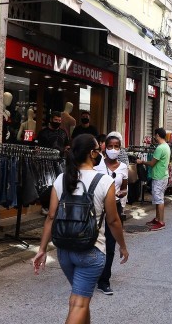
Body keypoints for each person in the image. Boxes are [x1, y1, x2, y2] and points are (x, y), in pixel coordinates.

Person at [32, 134, 129, 324]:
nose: (101, 152)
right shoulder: (104, 181)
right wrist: (123, 247)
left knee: (79, 299)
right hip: (91, 251)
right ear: (93, 153)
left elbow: (51, 217)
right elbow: (113, 221)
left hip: (65, 252)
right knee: (79, 303)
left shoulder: (61, 179)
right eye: (98, 149)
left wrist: (42, 249)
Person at [94, 133, 129, 296]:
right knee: (93, 242)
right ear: (104, 148)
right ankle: (92, 274)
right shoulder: (97, 166)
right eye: (110, 146)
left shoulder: (123, 167)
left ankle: (104, 280)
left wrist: (122, 193)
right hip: (97, 208)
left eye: (116, 147)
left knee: (110, 245)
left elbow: (125, 187)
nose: (113, 149)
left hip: (115, 208)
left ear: (120, 149)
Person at [136, 128, 170, 231]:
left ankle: (161, 222)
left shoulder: (160, 148)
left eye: (155, 135)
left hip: (159, 177)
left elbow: (152, 163)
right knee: (157, 198)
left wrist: (142, 162)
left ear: (158, 135)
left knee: (159, 199)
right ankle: (157, 219)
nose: (154, 137)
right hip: (163, 176)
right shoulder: (166, 146)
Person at [37, 110, 69, 213]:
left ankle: (58, 205)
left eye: (59, 120)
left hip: (60, 162)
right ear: (51, 120)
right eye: (56, 120)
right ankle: (45, 206)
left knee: (59, 184)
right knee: (47, 184)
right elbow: (37, 148)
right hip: (45, 163)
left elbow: (67, 146)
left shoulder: (63, 133)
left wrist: (66, 152)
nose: (58, 122)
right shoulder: (43, 133)